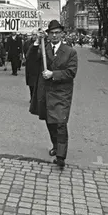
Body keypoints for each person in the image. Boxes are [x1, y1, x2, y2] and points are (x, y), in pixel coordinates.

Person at [27, 20, 78, 169]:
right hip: (46, 92)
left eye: (57, 33)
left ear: (62, 34)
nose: (54, 35)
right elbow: (30, 60)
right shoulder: (43, 49)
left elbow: (71, 72)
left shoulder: (70, 52)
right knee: (50, 122)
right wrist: (37, 42)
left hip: (62, 93)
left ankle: (61, 156)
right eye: (52, 33)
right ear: (48, 35)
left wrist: (53, 74)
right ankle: (56, 145)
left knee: (60, 122)